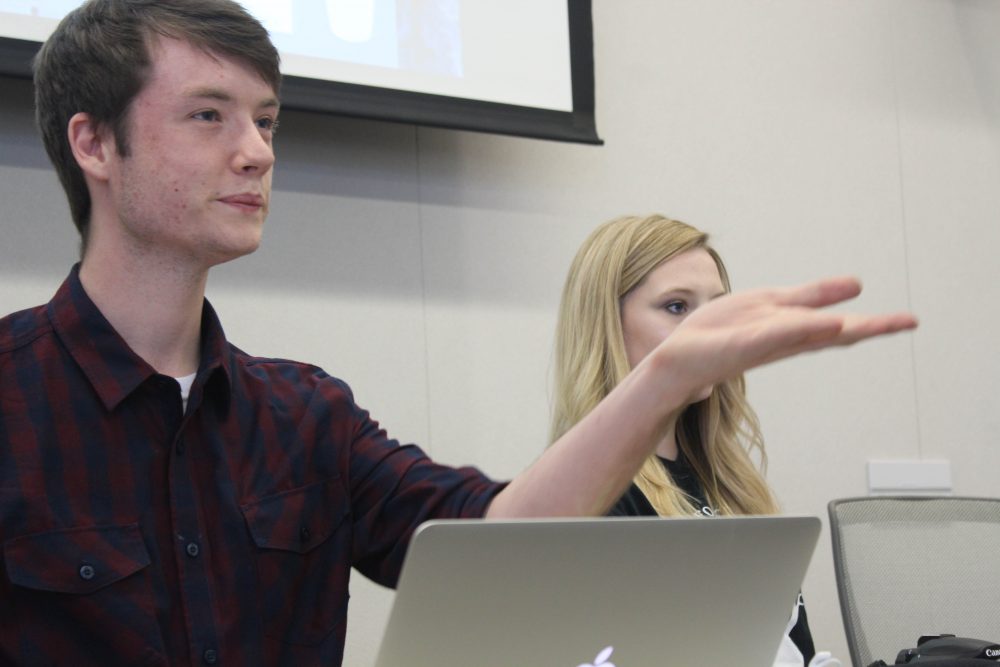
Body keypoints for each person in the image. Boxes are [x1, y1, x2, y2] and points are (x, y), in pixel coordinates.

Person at [0, 1, 916, 665]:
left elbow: (501, 542)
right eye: (210, 115)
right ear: (95, 145)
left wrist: (665, 377)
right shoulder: (12, 398)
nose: (259, 150)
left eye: (267, 120)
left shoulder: (307, 416)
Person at [550, 213, 849, 667]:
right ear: (607, 324)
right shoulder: (588, 499)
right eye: (676, 306)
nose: (709, 328)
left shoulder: (734, 485)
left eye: (718, 308)